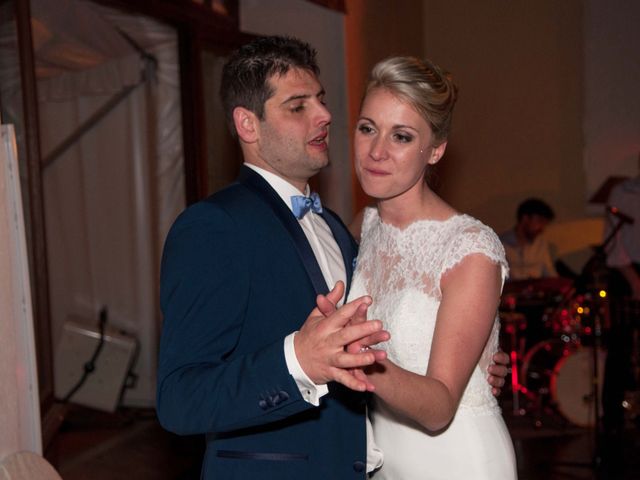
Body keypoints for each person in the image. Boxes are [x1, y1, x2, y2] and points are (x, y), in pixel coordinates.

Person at [157, 36, 508, 479]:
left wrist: (479, 358)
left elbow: (418, 332)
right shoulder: (214, 226)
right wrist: (297, 360)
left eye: (321, 101)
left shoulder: (344, 229)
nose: (324, 115)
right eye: (298, 105)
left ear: (435, 148)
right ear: (248, 125)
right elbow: (179, 399)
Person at [340, 56, 517, 478]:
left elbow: (439, 407)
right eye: (368, 128)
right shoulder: (362, 227)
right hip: (386, 458)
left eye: (401, 136)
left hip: (458, 459)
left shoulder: (470, 249)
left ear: (435, 150)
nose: (376, 151)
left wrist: (350, 357)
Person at [500, 198, 557, 280]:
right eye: (539, 221)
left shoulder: (541, 244)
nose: (542, 228)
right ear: (525, 218)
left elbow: (550, 273)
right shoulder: (501, 244)